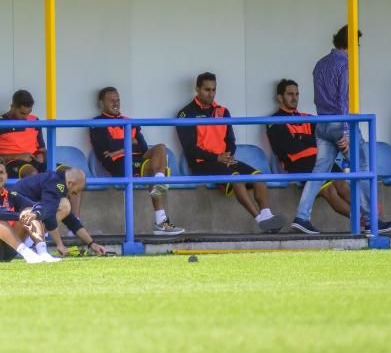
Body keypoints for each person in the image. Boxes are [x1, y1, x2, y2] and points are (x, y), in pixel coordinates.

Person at [294, 26, 391, 234]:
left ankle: (301, 216)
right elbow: (342, 100)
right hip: (342, 123)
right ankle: (372, 220)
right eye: (356, 44)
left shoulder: (320, 64)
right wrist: (346, 131)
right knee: (363, 170)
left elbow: (317, 97)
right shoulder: (345, 64)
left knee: (319, 172)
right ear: (350, 43)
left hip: (322, 123)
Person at [176, 72, 285, 233]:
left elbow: (230, 140)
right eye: (207, 90)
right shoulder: (185, 114)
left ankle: (267, 214)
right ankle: (259, 219)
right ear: (197, 89)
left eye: (214, 90)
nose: (211, 94)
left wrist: (226, 156)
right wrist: (216, 157)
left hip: (224, 160)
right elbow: (190, 149)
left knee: (259, 176)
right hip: (202, 163)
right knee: (237, 179)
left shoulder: (223, 111)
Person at [90, 86, 184, 236]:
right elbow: (108, 146)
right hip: (120, 164)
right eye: (111, 101)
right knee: (153, 172)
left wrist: (121, 147)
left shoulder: (128, 121)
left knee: (160, 148)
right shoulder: (97, 123)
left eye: (118, 100)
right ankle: (161, 221)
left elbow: (142, 146)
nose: (116, 104)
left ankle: (160, 179)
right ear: (102, 103)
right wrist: (129, 145)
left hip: (136, 161)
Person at [266, 79, 351, 223]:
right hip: (298, 164)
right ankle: (362, 219)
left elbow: (326, 140)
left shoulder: (308, 118)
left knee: (344, 185)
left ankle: (371, 219)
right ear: (279, 97)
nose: (295, 98)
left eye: (297, 94)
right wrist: (311, 139)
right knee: (329, 190)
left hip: (319, 159)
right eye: (290, 94)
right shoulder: (273, 120)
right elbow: (286, 147)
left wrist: (301, 137)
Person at [14, 166, 108, 257]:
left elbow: (71, 220)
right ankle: (30, 245)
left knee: (63, 206)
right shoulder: (56, 184)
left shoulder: (56, 181)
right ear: (70, 183)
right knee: (65, 205)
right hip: (15, 222)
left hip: (21, 218)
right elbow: (49, 214)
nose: (74, 195)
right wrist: (59, 244)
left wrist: (92, 243)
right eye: (75, 192)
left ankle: (31, 244)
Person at [0, 89, 46, 178]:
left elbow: (42, 149)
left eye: (28, 113)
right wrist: (17, 157)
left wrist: (43, 156)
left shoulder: (35, 120)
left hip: (35, 161)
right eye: (22, 113)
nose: (25, 117)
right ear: (12, 106)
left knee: (67, 172)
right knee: (32, 173)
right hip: (12, 163)